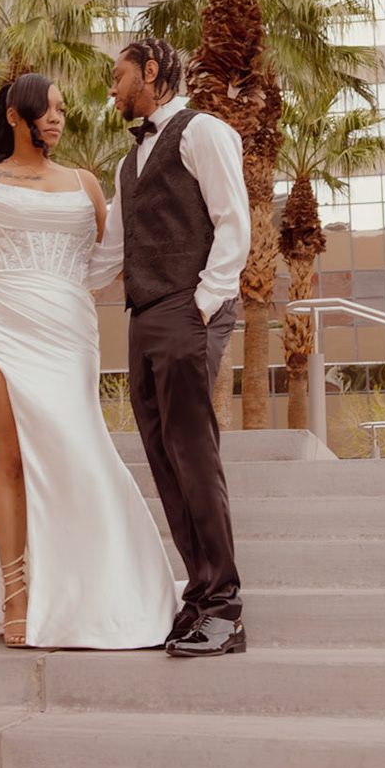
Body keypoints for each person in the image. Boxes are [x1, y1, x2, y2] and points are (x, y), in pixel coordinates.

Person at [0, 72, 178, 649]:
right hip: (0, 319)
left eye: (62, 108)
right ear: (16, 115)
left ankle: (98, 585)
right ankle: (16, 596)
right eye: (47, 108)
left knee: (81, 452)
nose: (57, 117)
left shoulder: (86, 183)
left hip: (68, 327)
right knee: (9, 459)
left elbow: (113, 256)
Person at [85, 39, 252, 657]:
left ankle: (225, 608)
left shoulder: (203, 130)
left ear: (150, 72)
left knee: (192, 453)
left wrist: (204, 302)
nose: (112, 89)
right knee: (163, 456)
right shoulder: (127, 165)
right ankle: (200, 594)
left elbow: (233, 221)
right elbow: (108, 255)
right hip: (144, 316)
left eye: (118, 76)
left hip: (188, 307)